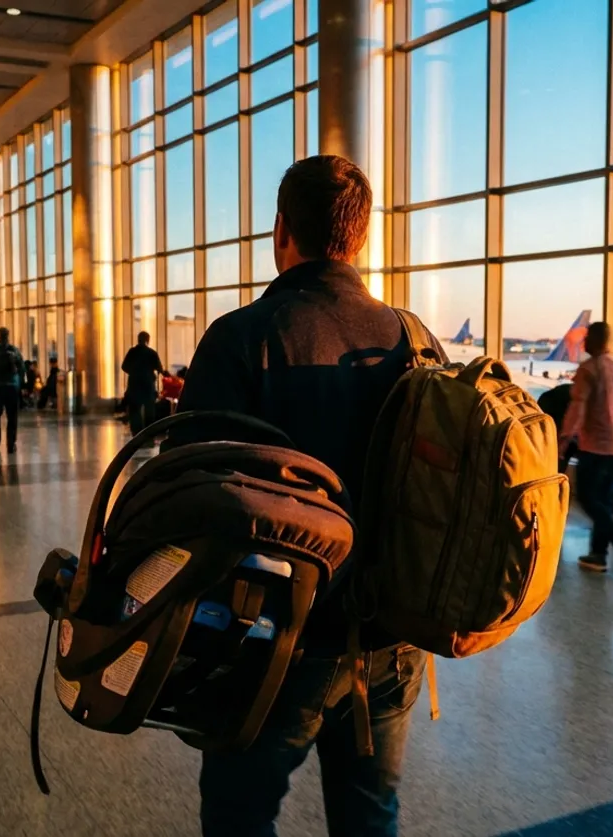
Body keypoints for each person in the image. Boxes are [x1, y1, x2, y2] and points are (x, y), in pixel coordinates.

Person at [176, 155, 444, 837]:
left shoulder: (240, 340)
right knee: (370, 816)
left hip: (270, 643)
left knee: (239, 817)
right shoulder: (416, 341)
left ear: (280, 230)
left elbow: (191, 501)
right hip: (389, 641)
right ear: (360, 237)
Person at [560, 321, 613, 573]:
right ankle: (597, 555)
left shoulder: (589, 368)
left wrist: (564, 437)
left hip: (597, 443)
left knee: (587, 497)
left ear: (595, 340)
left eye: (587, 339)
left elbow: (578, 407)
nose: (583, 344)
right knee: (603, 500)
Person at [121, 332, 164, 434]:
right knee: (149, 408)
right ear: (147, 340)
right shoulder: (152, 353)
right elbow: (159, 368)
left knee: (135, 409)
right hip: (148, 384)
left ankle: (136, 432)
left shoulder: (132, 352)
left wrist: (133, 372)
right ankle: (149, 432)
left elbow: (124, 366)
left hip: (134, 384)